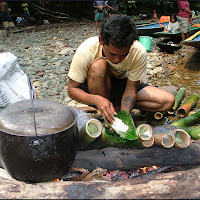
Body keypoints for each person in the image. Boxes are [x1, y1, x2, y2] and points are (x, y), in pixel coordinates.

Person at [67, 15, 175, 124]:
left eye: (124, 54)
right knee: (98, 66)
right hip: (97, 87)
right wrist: (97, 100)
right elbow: (72, 90)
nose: (117, 59)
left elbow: (131, 90)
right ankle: (104, 109)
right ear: (101, 40)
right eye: (112, 54)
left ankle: (114, 108)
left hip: (122, 86)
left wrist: (125, 116)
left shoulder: (138, 51)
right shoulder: (87, 49)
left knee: (167, 101)